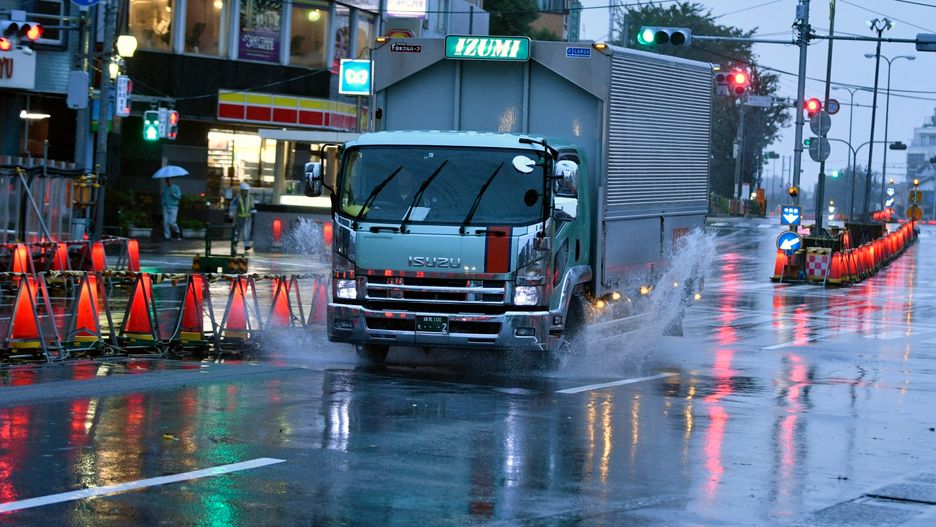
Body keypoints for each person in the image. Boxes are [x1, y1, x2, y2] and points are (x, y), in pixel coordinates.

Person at [228, 182, 256, 255]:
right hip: (239, 218)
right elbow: (232, 205)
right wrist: (231, 212)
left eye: (247, 190)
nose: (246, 192)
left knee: (247, 232)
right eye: (245, 190)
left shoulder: (250, 198)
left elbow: (252, 206)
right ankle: (234, 244)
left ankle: (246, 246)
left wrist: (253, 210)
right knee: (237, 232)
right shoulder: (238, 197)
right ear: (241, 190)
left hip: (247, 218)